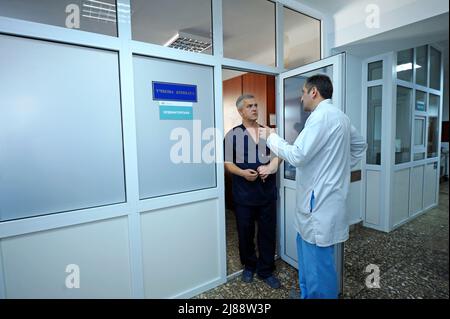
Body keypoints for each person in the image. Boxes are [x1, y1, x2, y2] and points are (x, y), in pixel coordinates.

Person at [259, 75, 367, 298]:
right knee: (308, 259)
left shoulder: (321, 117)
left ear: (314, 92)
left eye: (302, 92)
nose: (301, 98)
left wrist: (272, 138)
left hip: (319, 206)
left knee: (318, 265)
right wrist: (339, 168)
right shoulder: (340, 117)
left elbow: (297, 155)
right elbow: (359, 145)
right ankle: (306, 294)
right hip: (318, 202)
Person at [224, 94, 282, 289]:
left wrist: (270, 167)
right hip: (244, 196)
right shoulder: (232, 135)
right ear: (241, 111)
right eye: (250, 106)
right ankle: (249, 265)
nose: (255, 109)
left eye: (256, 105)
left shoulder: (268, 132)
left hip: (266, 194)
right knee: (245, 233)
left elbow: (279, 155)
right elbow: (228, 163)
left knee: (267, 233)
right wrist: (242, 172)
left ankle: (266, 269)